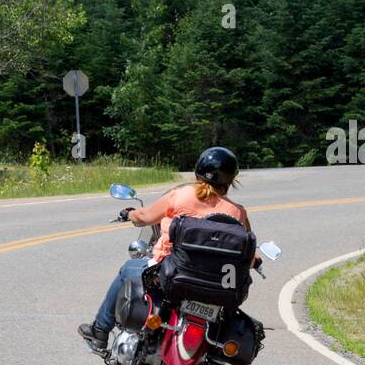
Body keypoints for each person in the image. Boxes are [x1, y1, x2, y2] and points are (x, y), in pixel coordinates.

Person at [78, 146, 251, 353]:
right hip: (216, 284)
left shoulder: (181, 195)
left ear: (197, 172)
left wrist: (131, 214)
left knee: (127, 269)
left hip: (172, 272)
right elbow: (246, 253)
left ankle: (100, 330)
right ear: (231, 180)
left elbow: (144, 217)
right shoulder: (237, 213)